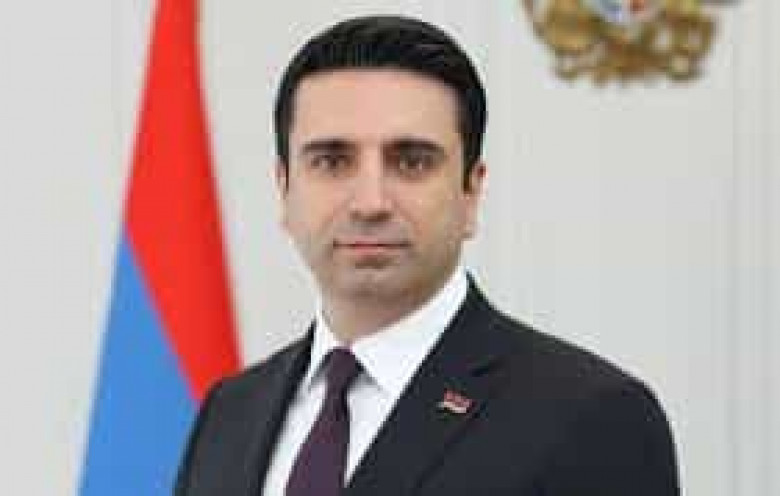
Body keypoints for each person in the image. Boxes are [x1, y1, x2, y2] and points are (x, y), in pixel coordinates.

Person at [175, 15, 679, 496]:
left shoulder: (591, 416)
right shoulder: (229, 413)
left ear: (470, 193)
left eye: (411, 162)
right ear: (284, 190)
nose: (370, 202)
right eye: (331, 161)